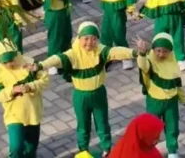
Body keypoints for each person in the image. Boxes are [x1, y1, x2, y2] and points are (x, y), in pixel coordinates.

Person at [40, 21, 137, 157]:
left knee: (102, 123)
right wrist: (41, 65)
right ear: (79, 38)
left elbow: (116, 52)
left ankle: (107, 149)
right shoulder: (72, 54)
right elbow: (56, 59)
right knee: (83, 126)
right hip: (81, 96)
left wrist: (134, 52)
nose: (90, 42)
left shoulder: (101, 51)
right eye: (86, 38)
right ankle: (83, 150)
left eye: (93, 39)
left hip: (99, 93)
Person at [0, 40, 48, 158]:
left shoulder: (30, 63)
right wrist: (12, 90)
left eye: (11, 60)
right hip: (14, 115)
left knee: (31, 147)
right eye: (5, 62)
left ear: (16, 54)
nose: (9, 64)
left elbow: (45, 80)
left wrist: (30, 86)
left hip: (32, 113)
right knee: (16, 147)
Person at [136, 34, 185, 158]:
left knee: (172, 128)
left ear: (170, 51)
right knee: (151, 128)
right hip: (154, 102)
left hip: (171, 102)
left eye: (165, 51)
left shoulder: (173, 63)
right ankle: (148, 151)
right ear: (153, 49)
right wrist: (142, 53)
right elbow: (143, 65)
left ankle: (172, 152)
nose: (161, 54)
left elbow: (177, 85)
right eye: (158, 50)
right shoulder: (150, 61)